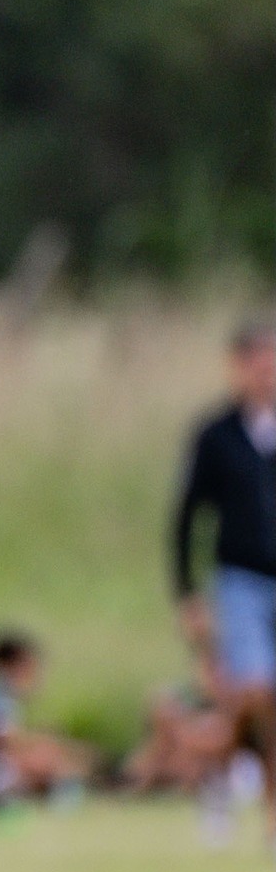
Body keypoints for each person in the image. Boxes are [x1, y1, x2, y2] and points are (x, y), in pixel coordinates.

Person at [171, 318, 276, 835]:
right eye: (259, 364)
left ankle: (265, 806)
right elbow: (187, 516)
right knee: (254, 690)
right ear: (239, 368)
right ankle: (223, 774)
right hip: (240, 577)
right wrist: (186, 593)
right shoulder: (216, 435)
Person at [0, 629, 93, 800]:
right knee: (49, 759)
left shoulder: (2, 697)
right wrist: (45, 742)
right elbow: (2, 741)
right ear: (9, 666)